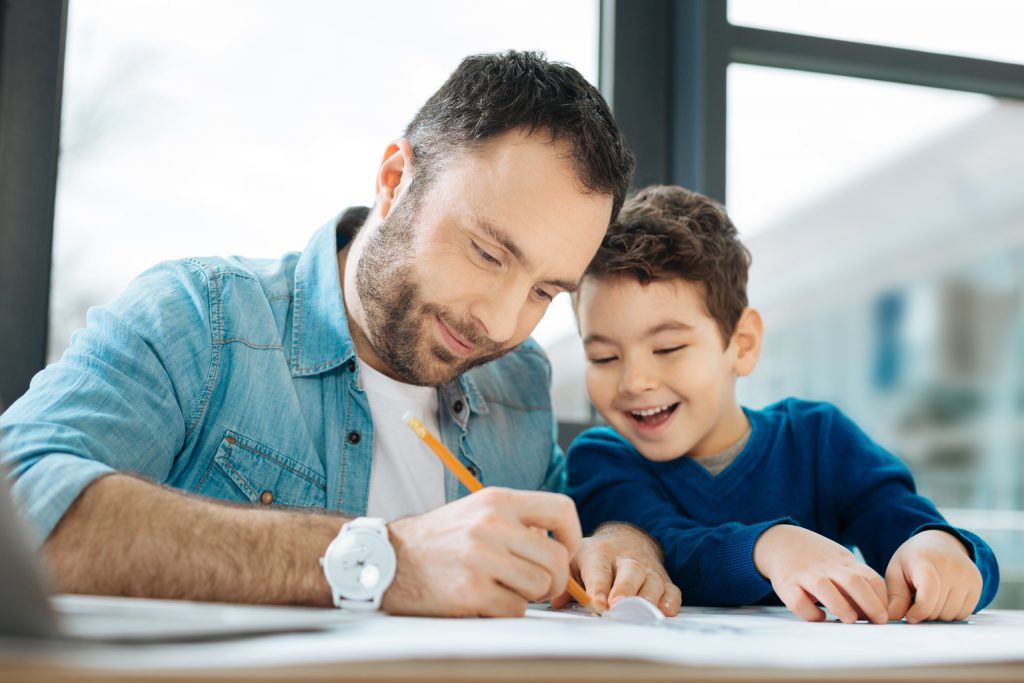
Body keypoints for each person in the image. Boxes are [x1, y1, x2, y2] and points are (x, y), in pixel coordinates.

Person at [0, 51, 682, 617]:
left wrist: (619, 544)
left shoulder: (518, 379)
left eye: (544, 291)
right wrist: (388, 558)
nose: (502, 323)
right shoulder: (199, 320)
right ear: (394, 182)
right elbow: (19, 495)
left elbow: (572, 520)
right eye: (487, 253)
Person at [568, 184, 999, 624]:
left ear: (742, 344)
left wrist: (942, 548)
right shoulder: (601, 460)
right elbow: (666, 547)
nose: (635, 381)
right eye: (603, 357)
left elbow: (905, 520)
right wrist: (769, 546)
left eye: (668, 348)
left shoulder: (818, 439)